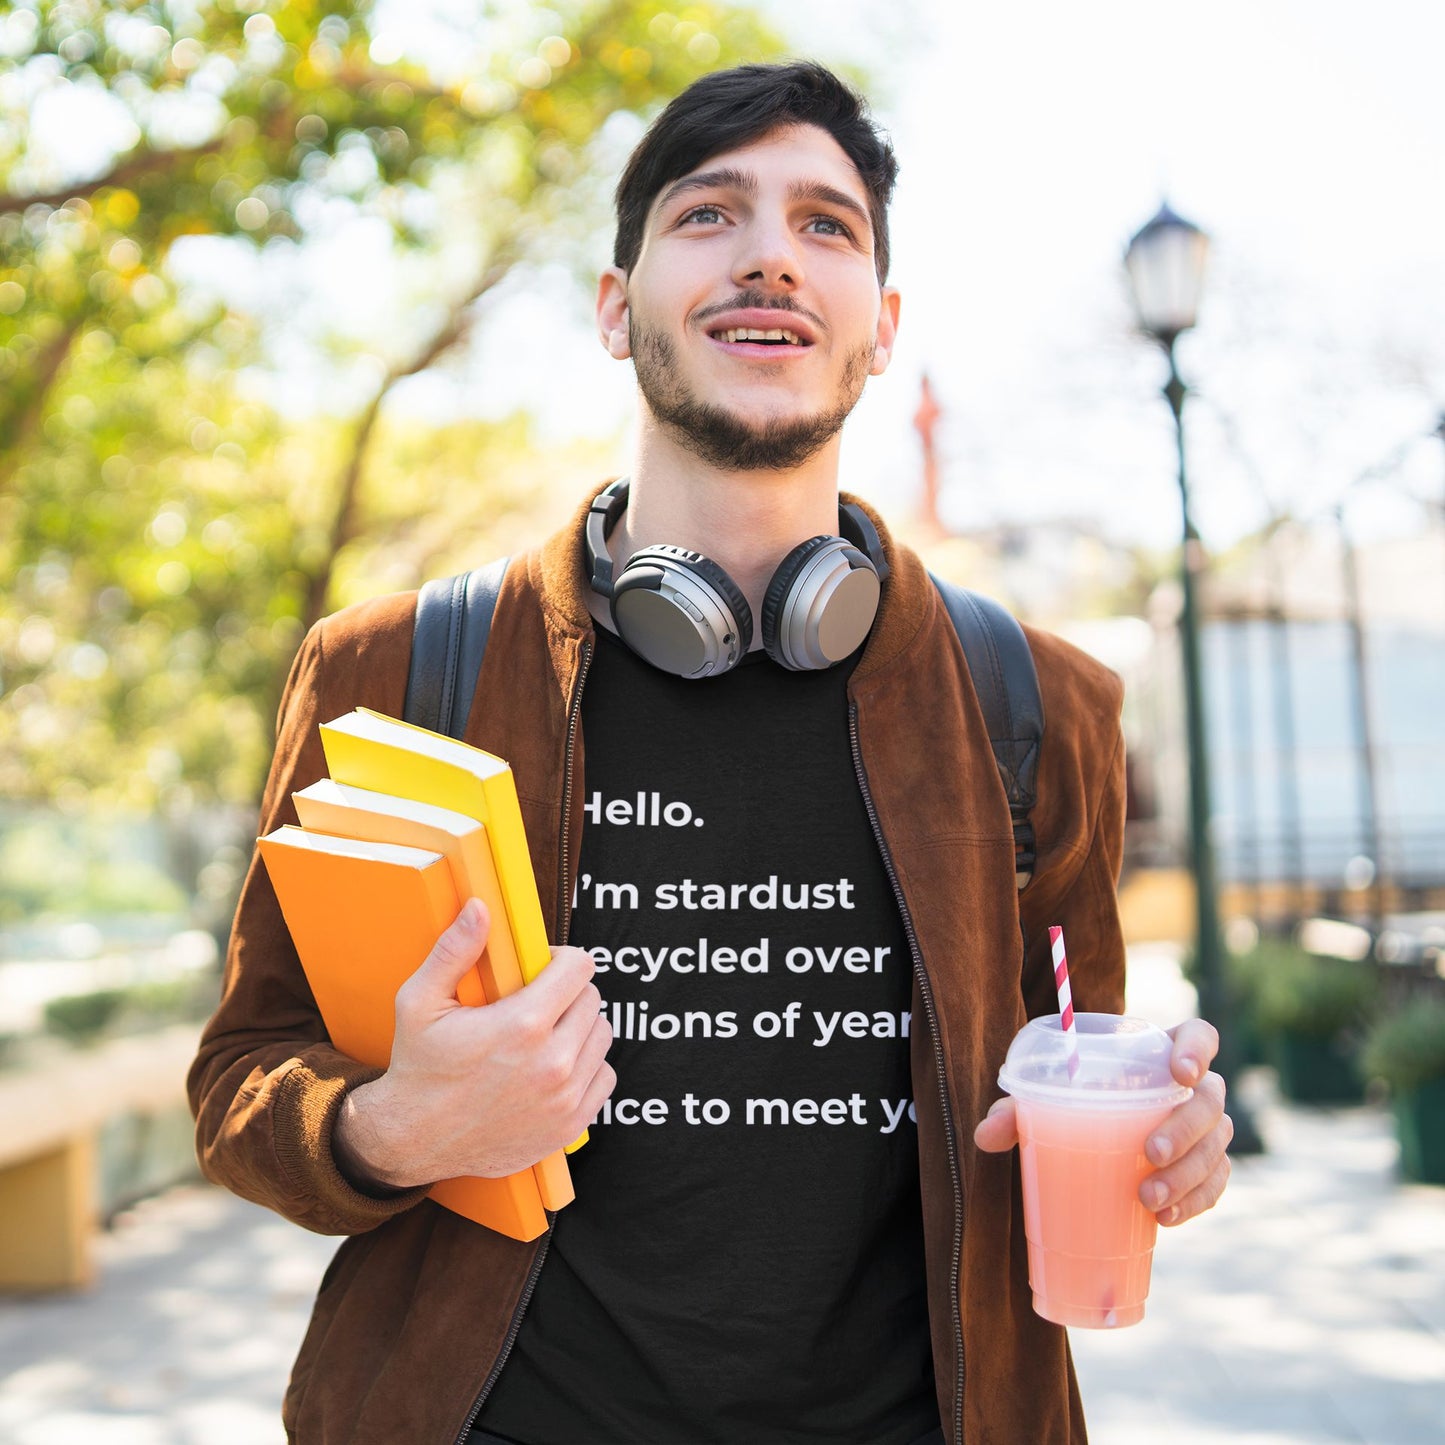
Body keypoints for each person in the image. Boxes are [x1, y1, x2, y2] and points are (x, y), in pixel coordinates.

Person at [189, 60, 1232, 1445]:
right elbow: (241, 1077)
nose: (766, 257)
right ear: (616, 311)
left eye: (824, 225)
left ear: (880, 326)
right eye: (707, 215)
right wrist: (390, 1126)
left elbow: (1069, 1052)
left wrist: (1164, 1139)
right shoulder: (393, 673)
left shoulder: (1037, 702)